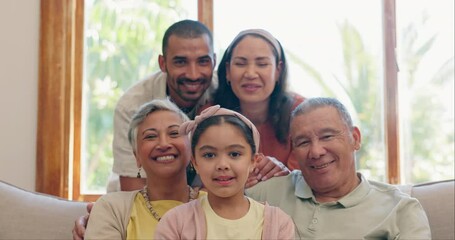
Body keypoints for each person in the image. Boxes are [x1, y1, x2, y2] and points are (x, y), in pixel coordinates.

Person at [111, 21, 288, 192]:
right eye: (181, 62)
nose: (193, 74)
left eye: (203, 61)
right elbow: (131, 188)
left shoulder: (226, 89)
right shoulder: (133, 106)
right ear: (163, 63)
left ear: (214, 61)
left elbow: (276, 95)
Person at [245, 97, 431, 239]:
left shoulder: (401, 209)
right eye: (303, 142)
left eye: (327, 136)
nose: (316, 152)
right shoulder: (265, 193)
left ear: (355, 139)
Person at [154, 105, 295, 239]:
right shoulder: (175, 223)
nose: (222, 165)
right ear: (195, 163)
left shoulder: (278, 224)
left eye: (234, 154)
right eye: (209, 155)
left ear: (253, 161)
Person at [84, 99, 205, 239]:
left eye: (174, 133)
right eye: (151, 136)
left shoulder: (216, 205)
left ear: (191, 149)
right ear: (137, 156)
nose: (164, 144)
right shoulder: (112, 208)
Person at [211, 29, 305, 177]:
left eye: (262, 64)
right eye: (240, 64)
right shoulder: (211, 114)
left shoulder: (302, 113)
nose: (250, 74)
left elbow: (307, 178)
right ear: (228, 70)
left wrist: (283, 172)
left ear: (278, 71)